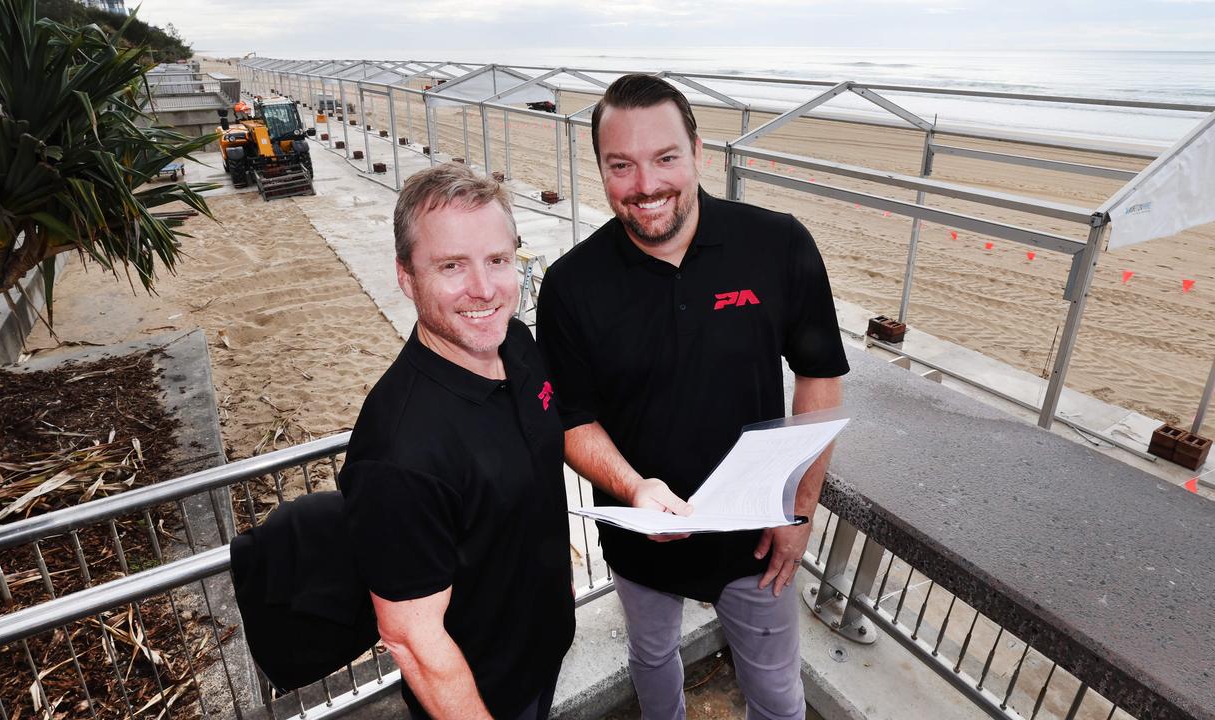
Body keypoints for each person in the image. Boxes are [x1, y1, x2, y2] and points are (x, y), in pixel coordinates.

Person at [536, 74, 849, 720]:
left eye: (665, 158)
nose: (645, 184)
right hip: (639, 539)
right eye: (621, 165)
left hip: (757, 536)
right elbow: (572, 418)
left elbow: (819, 376)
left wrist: (798, 510)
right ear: (600, 168)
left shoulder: (778, 243)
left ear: (700, 152)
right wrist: (632, 489)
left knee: (777, 694)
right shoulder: (571, 286)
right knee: (652, 663)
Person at [340, 163, 575, 720]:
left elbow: (530, 486)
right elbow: (413, 643)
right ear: (406, 277)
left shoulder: (515, 343)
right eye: (451, 266)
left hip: (542, 656)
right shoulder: (400, 452)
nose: (484, 289)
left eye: (498, 260)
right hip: (478, 695)